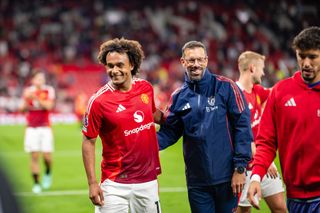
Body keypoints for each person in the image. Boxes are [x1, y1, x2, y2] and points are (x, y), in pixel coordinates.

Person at [157, 40, 253, 213]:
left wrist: (240, 168)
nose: (196, 65)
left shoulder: (226, 87)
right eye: (191, 60)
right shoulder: (179, 96)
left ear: (207, 61)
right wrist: (142, 143)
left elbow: (243, 128)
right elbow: (169, 132)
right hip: (197, 181)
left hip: (227, 177)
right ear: (183, 62)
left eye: (200, 60)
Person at [82, 38, 163, 213]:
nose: (114, 70)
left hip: (147, 181)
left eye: (120, 65)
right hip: (113, 185)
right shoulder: (98, 101)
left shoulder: (146, 88)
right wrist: (92, 183)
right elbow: (88, 141)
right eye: (110, 66)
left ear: (132, 65)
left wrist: (177, 120)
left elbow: (154, 113)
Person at [247, 26, 320, 213]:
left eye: (312, 57)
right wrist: (256, 177)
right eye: (301, 56)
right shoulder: (280, 92)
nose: (305, 63)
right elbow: (266, 142)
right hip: (294, 197)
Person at [236, 51, 287, 213]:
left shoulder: (256, 91)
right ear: (252, 68)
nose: (263, 73)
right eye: (261, 69)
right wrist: (265, 160)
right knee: (243, 211)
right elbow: (243, 137)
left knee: (280, 208)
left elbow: (277, 92)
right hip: (245, 167)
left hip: (262, 162)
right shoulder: (235, 96)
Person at [20, 70, 55, 194]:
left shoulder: (48, 90)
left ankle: (48, 172)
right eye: (38, 79)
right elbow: (21, 110)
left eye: (42, 79)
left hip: (45, 128)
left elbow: (49, 107)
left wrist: (36, 98)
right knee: (34, 156)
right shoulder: (27, 91)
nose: (40, 81)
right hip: (31, 128)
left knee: (47, 158)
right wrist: (26, 99)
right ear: (33, 80)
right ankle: (36, 183)